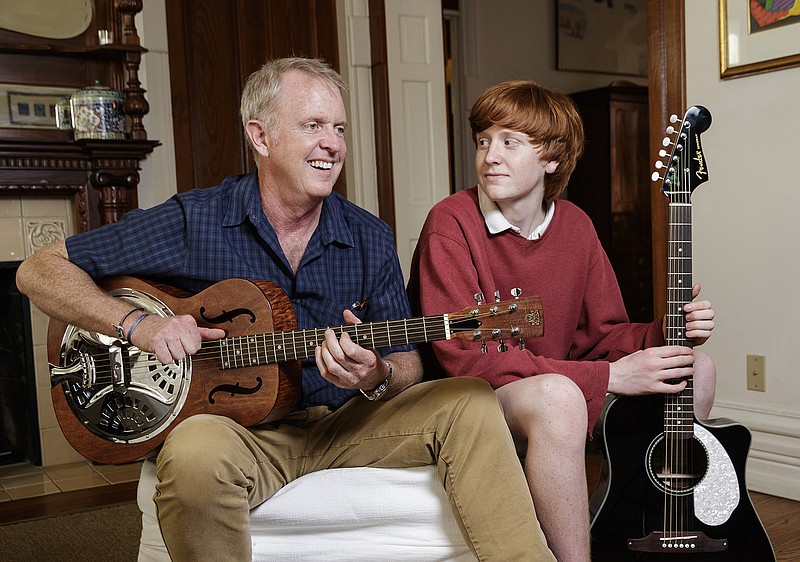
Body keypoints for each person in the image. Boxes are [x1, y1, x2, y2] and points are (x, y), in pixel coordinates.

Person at [16, 60, 555, 561]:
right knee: (194, 453)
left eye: (340, 129)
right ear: (260, 136)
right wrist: (139, 324)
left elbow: (407, 362)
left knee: (470, 401)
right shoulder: (195, 220)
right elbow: (38, 270)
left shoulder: (368, 236)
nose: (332, 145)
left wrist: (378, 373)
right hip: (240, 432)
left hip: (347, 423)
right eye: (313, 126)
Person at [407, 79, 717, 562]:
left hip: (556, 384)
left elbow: (603, 334)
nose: (490, 155)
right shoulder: (451, 222)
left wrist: (664, 331)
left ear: (551, 159)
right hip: (472, 396)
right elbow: (467, 359)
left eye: (510, 142)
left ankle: (648, 528)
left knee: (697, 370)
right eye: (484, 140)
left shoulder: (574, 225)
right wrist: (611, 376)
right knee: (559, 398)